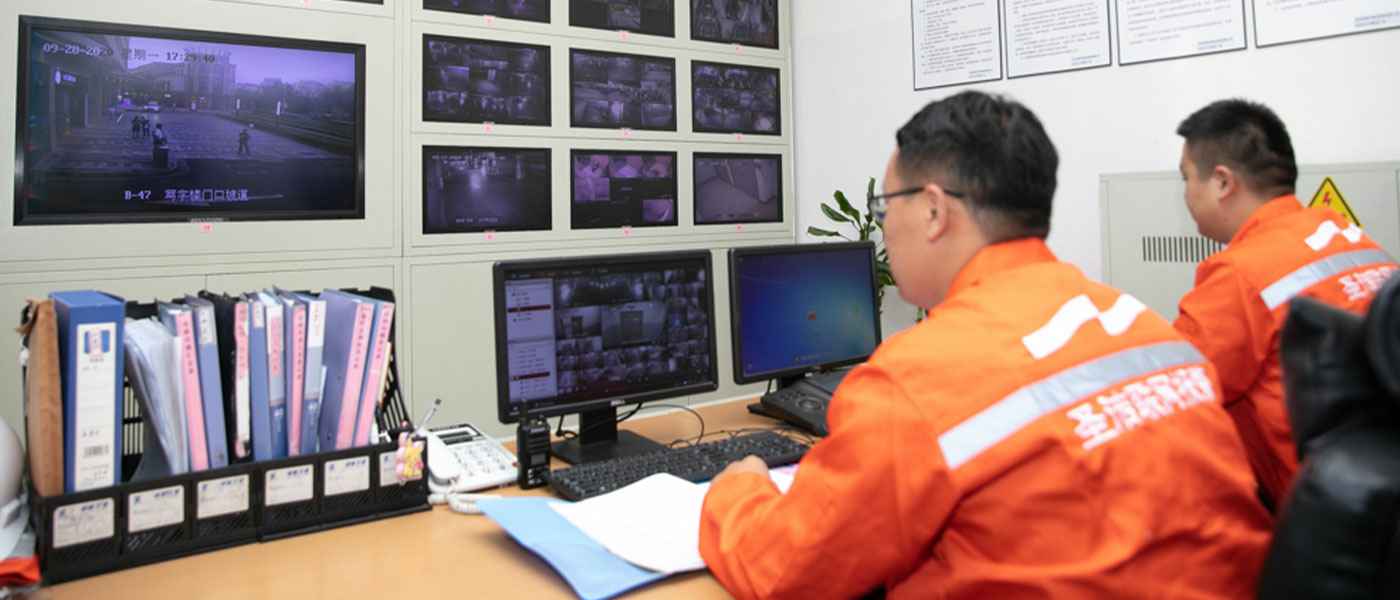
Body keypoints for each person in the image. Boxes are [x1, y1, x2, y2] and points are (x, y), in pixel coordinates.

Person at [699, 91, 1271, 598]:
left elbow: (785, 571)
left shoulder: (916, 377)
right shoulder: (1142, 325)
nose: (884, 228)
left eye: (885, 208)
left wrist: (738, 490)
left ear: (932, 210)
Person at [1171, 99, 1398, 507]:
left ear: (1222, 182)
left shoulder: (1238, 274)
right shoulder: (1343, 232)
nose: (1185, 193)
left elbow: (1174, 396)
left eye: (1186, 178)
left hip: (1326, 507)